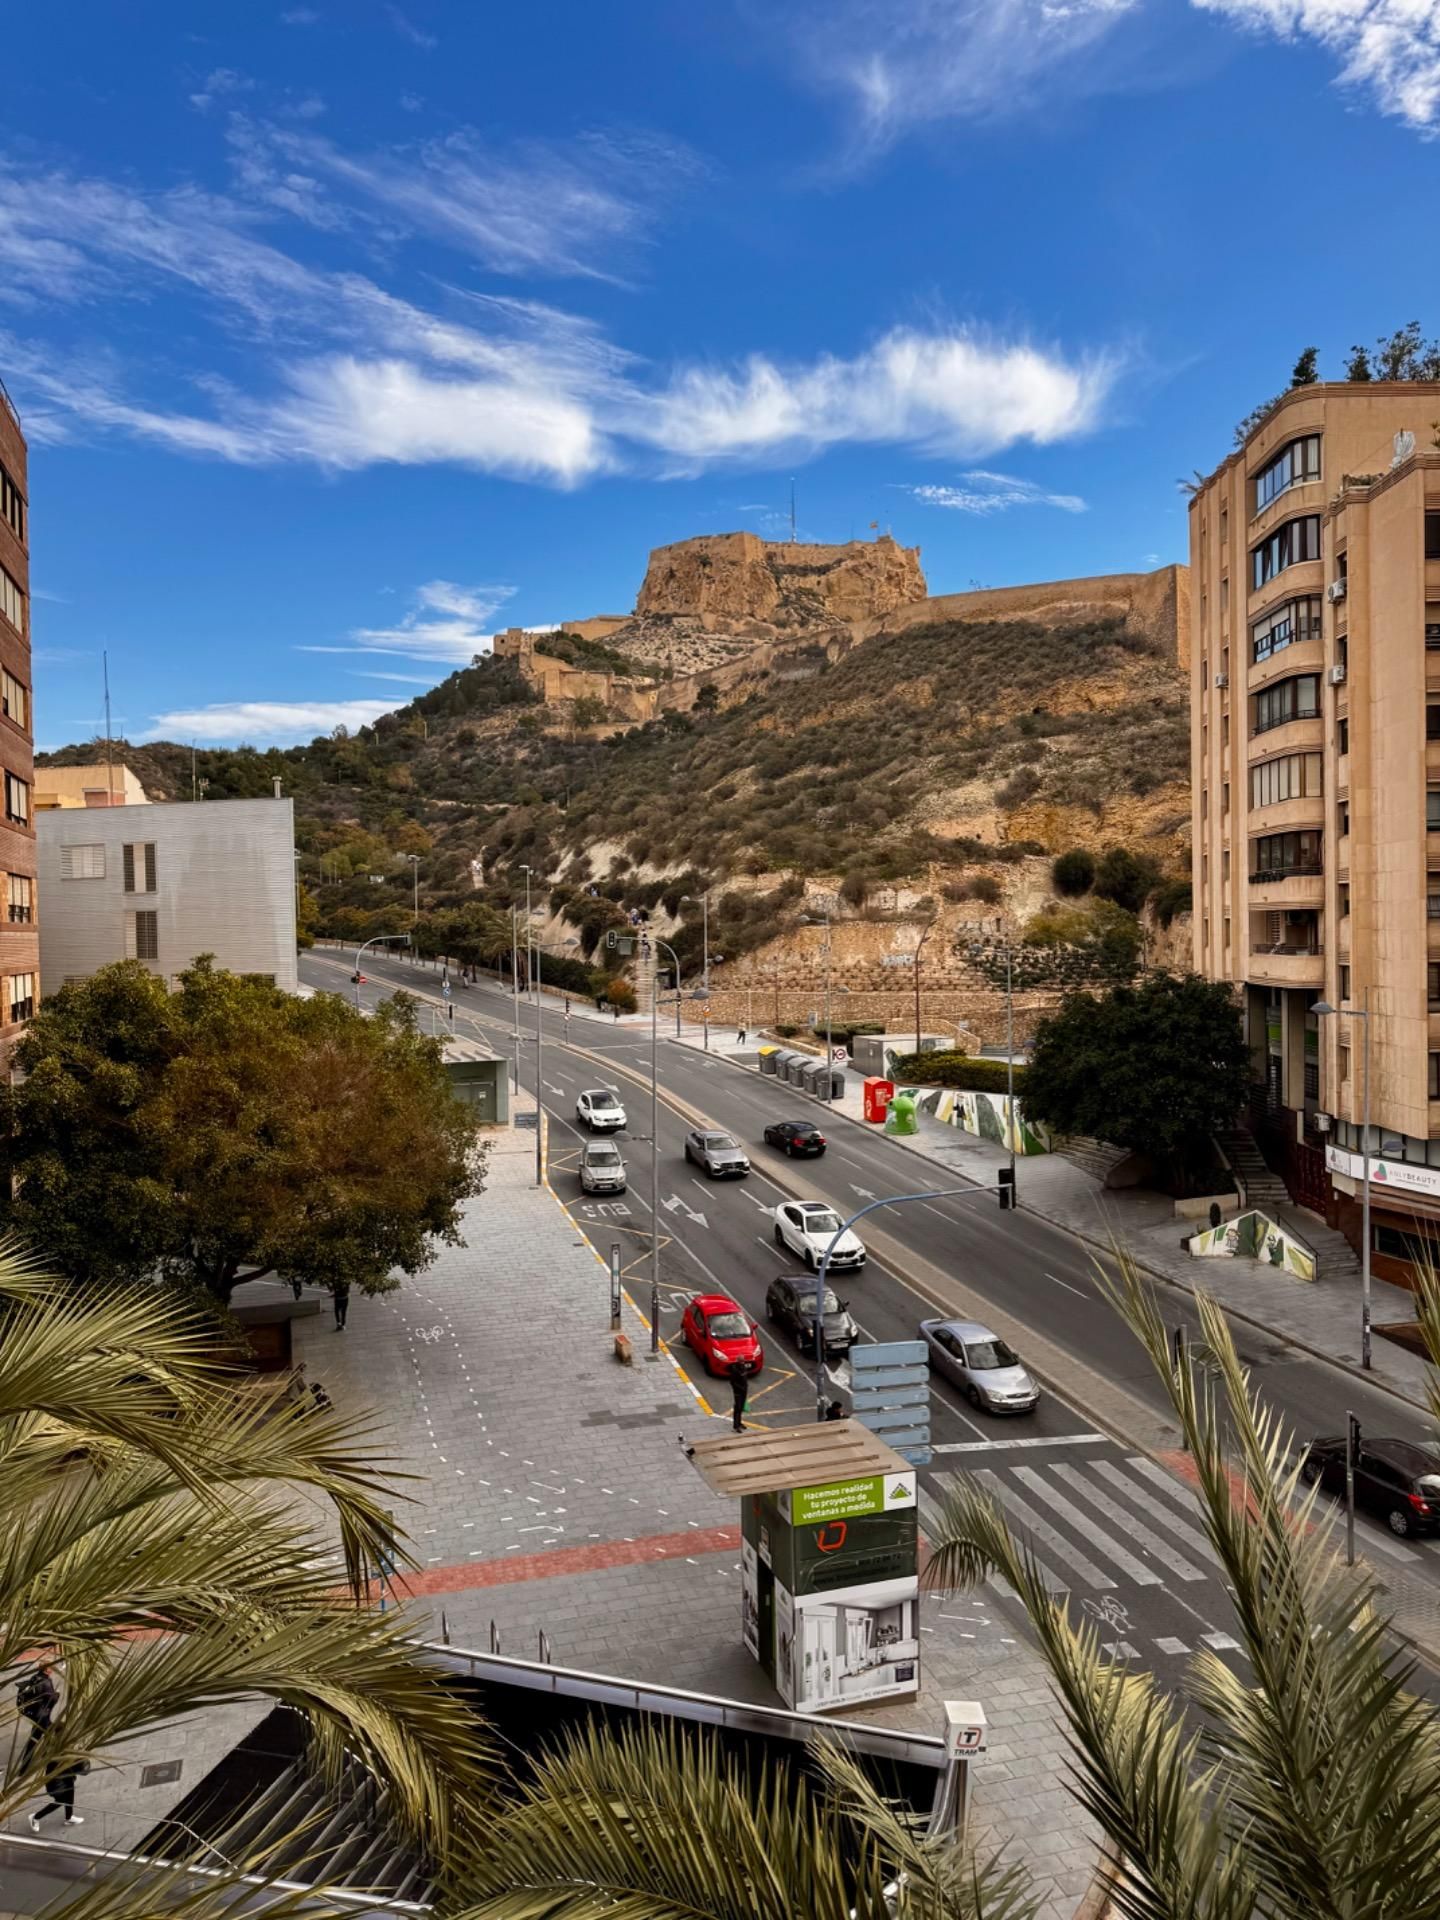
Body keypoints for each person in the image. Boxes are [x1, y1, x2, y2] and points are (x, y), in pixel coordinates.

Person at [17, 1662, 58, 1767]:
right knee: (51, 1735)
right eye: (51, 1667)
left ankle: (25, 1766)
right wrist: (56, 1695)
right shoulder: (46, 1681)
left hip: (35, 1713)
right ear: (47, 1669)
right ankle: (48, 1760)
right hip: (43, 1715)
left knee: (35, 1739)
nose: (53, 1669)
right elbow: (51, 1698)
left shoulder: (34, 1678)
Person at [29, 1759, 87, 1829]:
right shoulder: (56, 1760)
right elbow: (54, 1768)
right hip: (55, 1783)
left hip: (65, 1777)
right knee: (61, 1800)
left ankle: (69, 1817)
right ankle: (35, 1817)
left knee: (70, 1793)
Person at [728, 1359, 753, 1433]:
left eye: (743, 1361)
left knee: (741, 1408)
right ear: (738, 1361)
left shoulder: (743, 1368)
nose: (743, 1363)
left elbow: (745, 1378)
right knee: (737, 1409)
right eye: (741, 1361)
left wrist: (746, 1387)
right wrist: (741, 1388)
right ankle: (736, 1426)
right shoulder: (735, 1370)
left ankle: (739, 1423)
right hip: (738, 1393)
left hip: (744, 1391)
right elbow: (732, 1382)